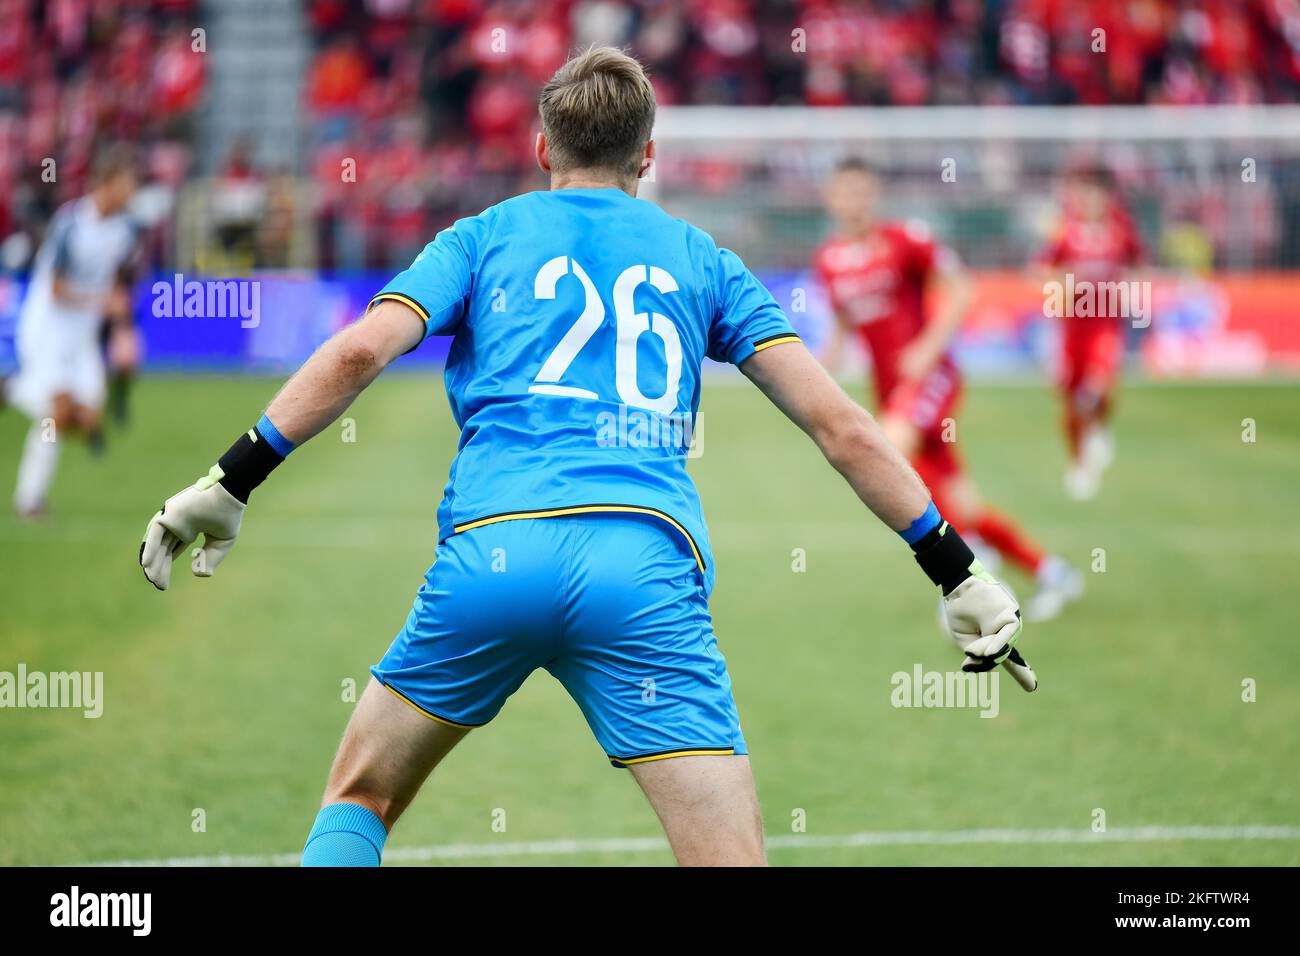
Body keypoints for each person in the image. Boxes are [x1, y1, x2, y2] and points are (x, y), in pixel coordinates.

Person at [139, 48, 1033, 868]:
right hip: (642, 572)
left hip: (493, 555)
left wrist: (232, 478)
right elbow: (841, 427)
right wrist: (954, 570)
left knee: (361, 798)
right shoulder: (702, 259)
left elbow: (355, 354)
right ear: (649, 156)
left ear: (539, 147)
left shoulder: (480, 238)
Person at [815, 158, 1082, 622]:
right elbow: (840, 331)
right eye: (844, 193)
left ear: (873, 196)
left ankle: (967, 562)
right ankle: (1051, 571)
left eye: (861, 192)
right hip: (892, 391)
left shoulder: (906, 240)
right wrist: (816, 377)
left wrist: (926, 346)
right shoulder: (830, 261)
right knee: (965, 506)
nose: (853, 203)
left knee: (892, 451)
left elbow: (959, 289)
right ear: (831, 198)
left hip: (931, 378)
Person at [7, 145, 139, 518]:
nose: (131, 190)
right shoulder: (70, 224)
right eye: (126, 181)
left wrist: (123, 328)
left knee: (88, 420)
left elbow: (117, 283)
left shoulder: (125, 231)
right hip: (48, 329)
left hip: (82, 337)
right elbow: (57, 290)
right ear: (106, 183)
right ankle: (30, 499)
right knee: (56, 415)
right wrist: (101, 301)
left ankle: (12, 388)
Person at [1038, 164, 1143, 500]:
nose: (1088, 199)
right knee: (1070, 399)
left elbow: (1138, 264)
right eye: (1082, 192)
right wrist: (1059, 290)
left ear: (1107, 197)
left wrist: (1133, 292)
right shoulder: (1065, 231)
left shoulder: (1121, 229)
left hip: (1104, 322)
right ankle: (1078, 462)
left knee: (1097, 385)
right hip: (1072, 327)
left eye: (1094, 192)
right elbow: (1044, 269)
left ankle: (1099, 426)